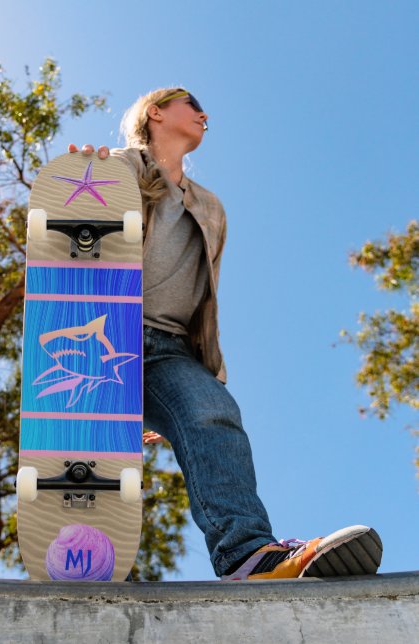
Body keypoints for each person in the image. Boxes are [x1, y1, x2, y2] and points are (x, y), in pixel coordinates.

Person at [68, 87, 383, 580]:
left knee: (213, 412)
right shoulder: (116, 168)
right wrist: (82, 175)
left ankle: (248, 557)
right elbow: (70, 225)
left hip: (169, 349)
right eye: (191, 104)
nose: (203, 113)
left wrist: (193, 385)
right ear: (156, 112)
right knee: (97, 455)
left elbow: (204, 297)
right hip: (102, 334)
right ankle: (90, 566)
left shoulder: (210, 207)